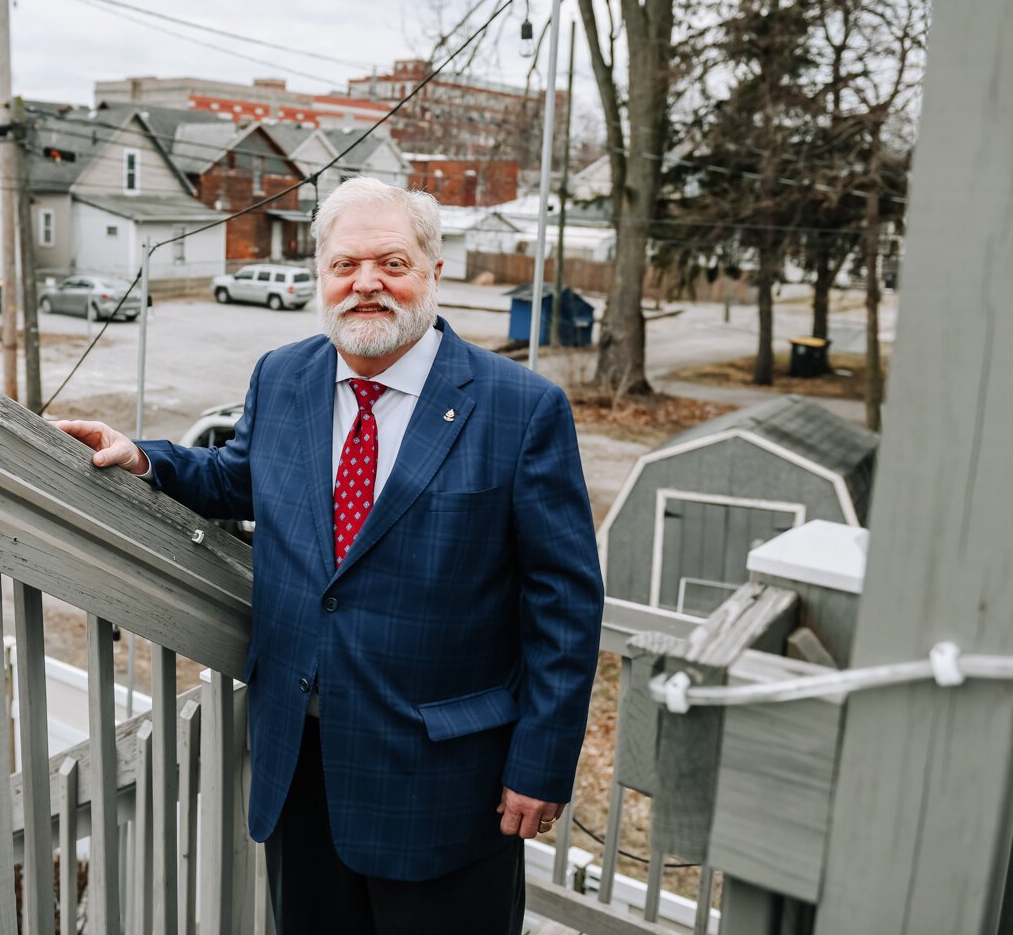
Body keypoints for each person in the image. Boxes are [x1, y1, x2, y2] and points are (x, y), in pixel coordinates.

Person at [57, 176, 603, 934]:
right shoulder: (284, 376)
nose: (366, 283)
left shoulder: (521, 409)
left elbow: (565, 603)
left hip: (443, 781)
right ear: (322, 276)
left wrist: (541, 761)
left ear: (434, 273)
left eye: (392, 263)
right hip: (300, 758)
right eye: (345, 265)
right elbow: (241, 476)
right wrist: (145, 458)